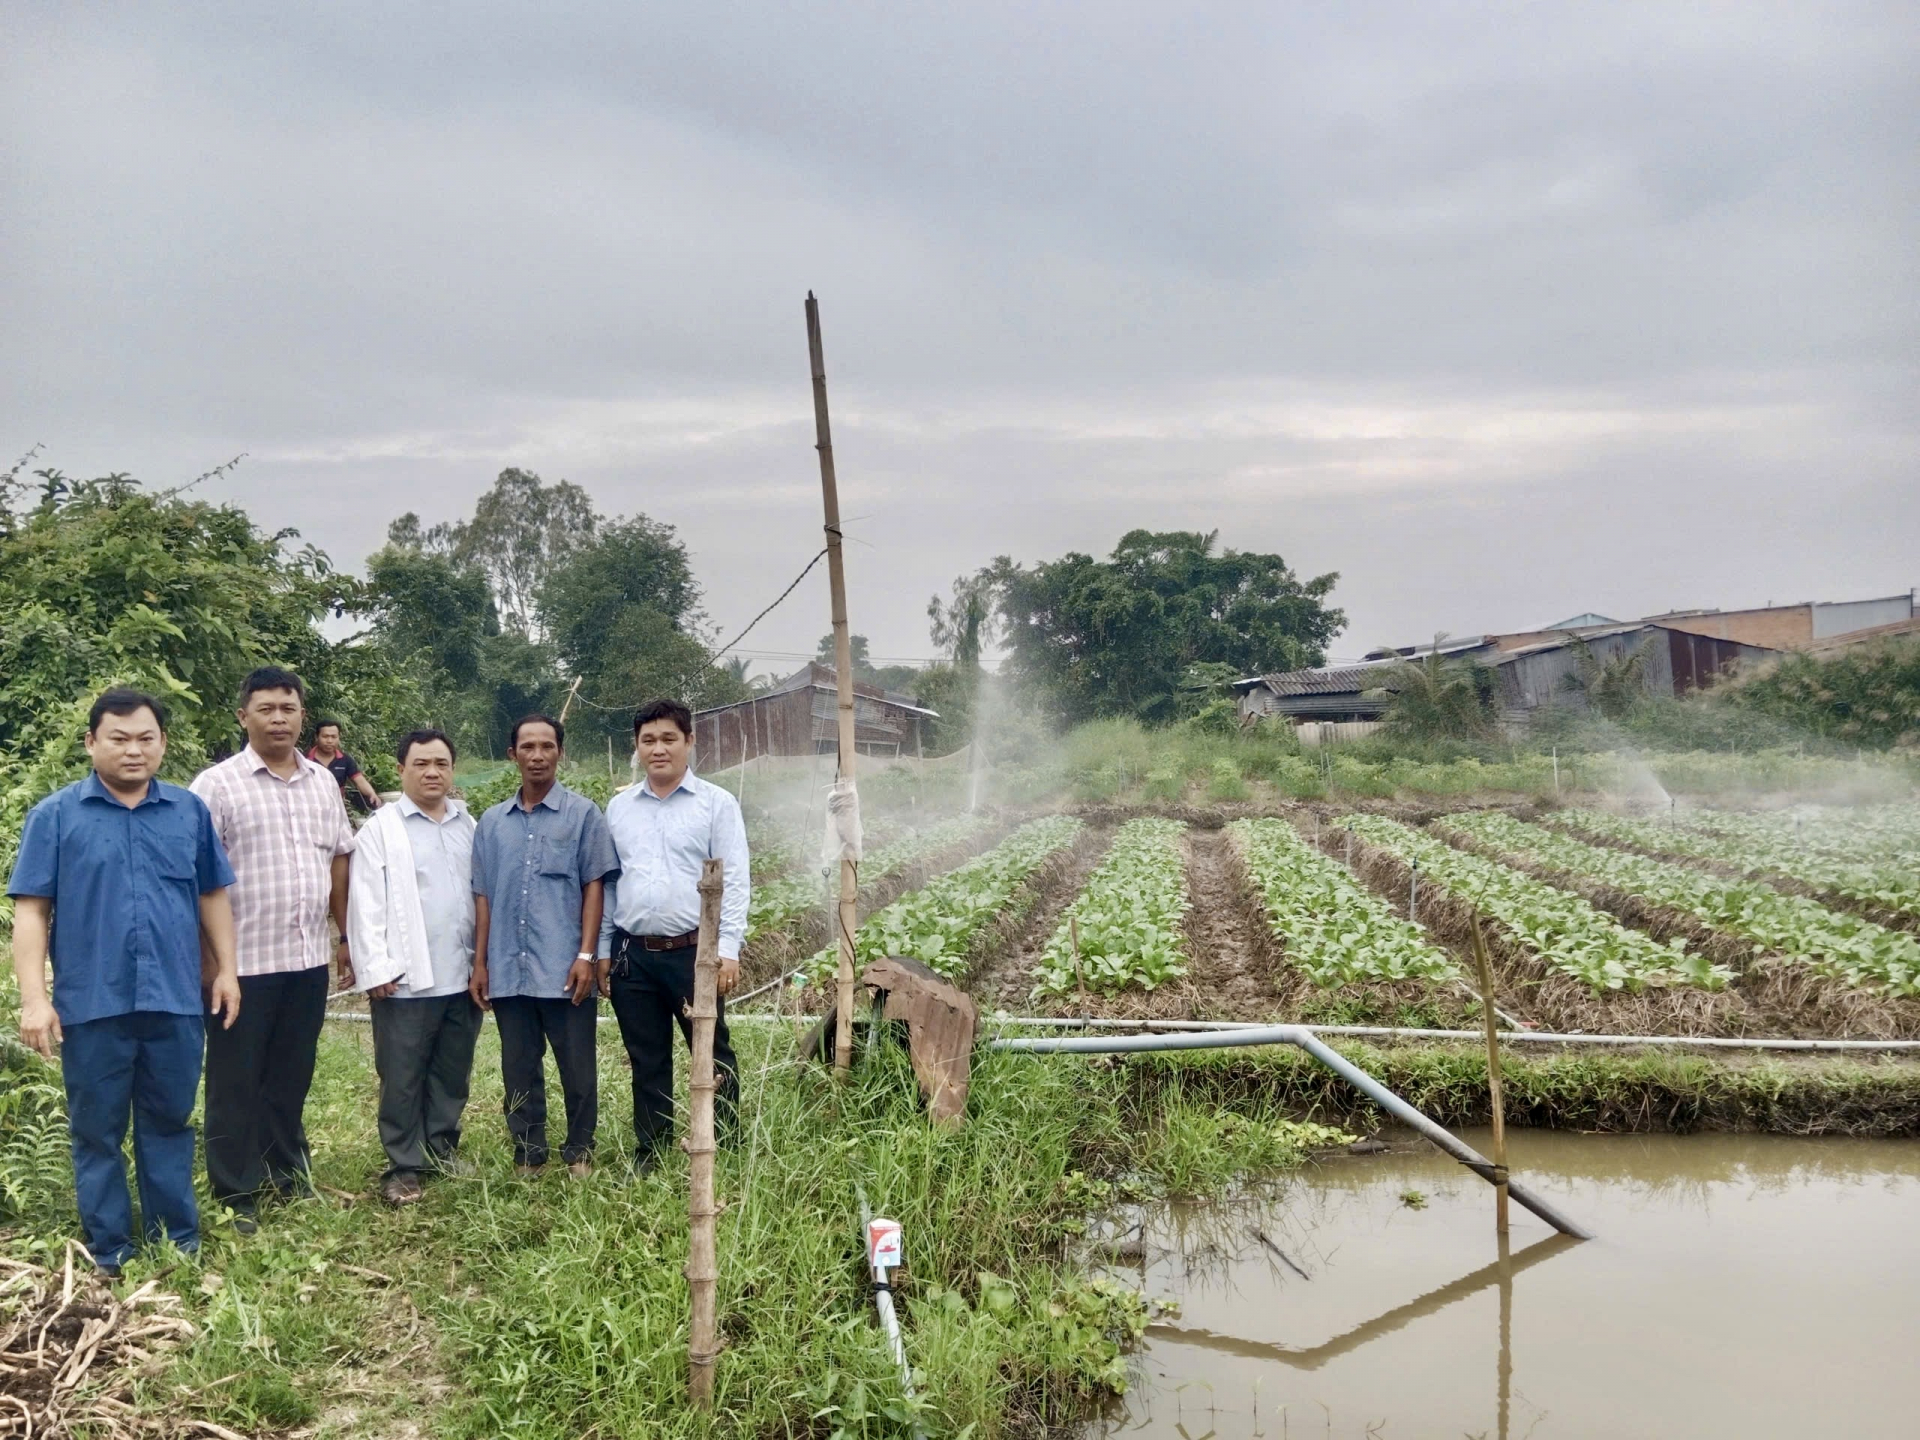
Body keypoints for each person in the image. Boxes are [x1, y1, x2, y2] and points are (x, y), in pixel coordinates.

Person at [6, 689, 242, 1277]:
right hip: (93, 1002)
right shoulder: (57, 816)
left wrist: (228, 971)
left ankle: (176, 1241)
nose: (134, 750)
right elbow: (31, 912)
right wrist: (34, 1000)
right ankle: (110, 1248)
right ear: (91, 742)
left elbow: (212, 894)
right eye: (119, 738)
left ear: (163, 743)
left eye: (146, 738)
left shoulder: (188, 812)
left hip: (174, 997)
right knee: (97, 1130)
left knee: (169, 1120)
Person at [191, 666, 355, 1229]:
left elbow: (338, 858)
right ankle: (236, 1191)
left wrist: (345, 937)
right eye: (266, 709)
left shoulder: (323, 782)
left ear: (302, 716)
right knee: (236, 1080)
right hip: (242, 966)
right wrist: (213, 966)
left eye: (288, 708)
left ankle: (286, 1171)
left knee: (291, 1073)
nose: (278, 718)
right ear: (244, 716)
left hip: (307, 958)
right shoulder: (216, 785)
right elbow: (196, 878)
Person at [598, 699, 750, 1172]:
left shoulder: (716, 804)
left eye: (669, 738)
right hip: (633, 954)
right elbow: (609, 883)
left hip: (694, 953)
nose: (658, 748)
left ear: (689, 741)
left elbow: (736, 879)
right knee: (646, 1056)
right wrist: (605, 949)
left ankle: (725, 1139)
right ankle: (652, 1148)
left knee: (711, 1049)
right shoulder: (619, 807)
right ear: (637, 747)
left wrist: (727, 950)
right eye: (648, 740)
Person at [470, 714, 619, 1178]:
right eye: (528, 747)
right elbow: (483, 895)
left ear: (560, 753)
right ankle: (528, 1152)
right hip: (508, 968)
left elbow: (594, 885)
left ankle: (579, 1151)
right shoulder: (492, 824)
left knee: (577, 1067)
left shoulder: (583, 815)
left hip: (564, 967)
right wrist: (480, 963)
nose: (538, 755)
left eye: (547, 747)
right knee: (518, 1067)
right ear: (512, 754)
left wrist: (586, 955)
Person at [345, 729, 481, 1207]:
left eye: (441, 764)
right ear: (401, 769)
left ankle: (442, 1148)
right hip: (405, 978)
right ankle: (404, 1165)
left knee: (451, 1071)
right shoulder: (382, 828)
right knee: (402, 1075)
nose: (432, 772)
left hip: (461, 974)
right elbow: (364, 902)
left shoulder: (467, 823)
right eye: (421, 763)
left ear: (452, 770)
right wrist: (376, 967)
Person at [309, 719, 383, 817]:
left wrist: (372, 794)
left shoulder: (345, 760)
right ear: (316, 737)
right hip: (310, 809)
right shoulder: (305, 760)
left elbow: (359, 780)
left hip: (336, 811)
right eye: (325, 736)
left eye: (334, 737)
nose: (329, 741)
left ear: (339, 738)